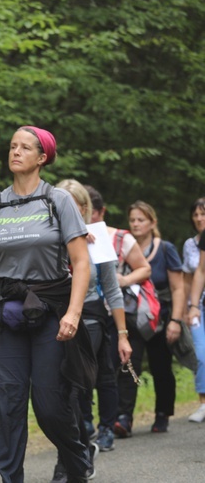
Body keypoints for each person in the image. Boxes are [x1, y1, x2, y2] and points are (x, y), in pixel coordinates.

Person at [0, 126, 94, 482]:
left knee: (50, 407)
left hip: (51, 311)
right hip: (6, 313)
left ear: (42, 157)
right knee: (9, 404)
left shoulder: (58, 201)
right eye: (12, 146)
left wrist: (73, 314)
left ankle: (77, 466)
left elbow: (81, 262)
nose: (15, 152)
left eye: (25, 147)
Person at [50, 180, 131, 476]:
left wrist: (123, 336)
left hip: (91, 319)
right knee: (58, 394)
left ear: (85, 209)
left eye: (72, 204)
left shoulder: (96, 237)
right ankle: (82, 447)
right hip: (52, 318)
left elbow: (112, 290)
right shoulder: (45, 237)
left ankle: (68, 462)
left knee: (73, 387)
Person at [83, 185, 151, 447]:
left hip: (112, 312)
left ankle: (109, 426)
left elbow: (141, 270)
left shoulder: (116, 237)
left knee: (108, 371)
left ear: (99, 212)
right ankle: (86, 421)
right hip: (83, 311)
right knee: (84, 371)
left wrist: (122, 280)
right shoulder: (67, 234)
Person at [115, 200, 186, 436]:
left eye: (141, 220)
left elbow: (178, 288)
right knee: (128, 363)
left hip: (161, 318)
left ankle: (162, 413)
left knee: (160, 367)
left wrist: (176, 320)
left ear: (152, 222)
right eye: (132, 220)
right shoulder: (124, 247)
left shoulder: (165, 249)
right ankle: (124, 417)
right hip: (131, 316)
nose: (135, 224)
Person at [182, 197, 205, 422]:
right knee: (201, 354)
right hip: (199, 306)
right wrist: (190, 306)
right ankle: (203, 403)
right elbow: (192, 276)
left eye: (203, 213)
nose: (199, 218)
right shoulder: (191, 244)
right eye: (196, 214)